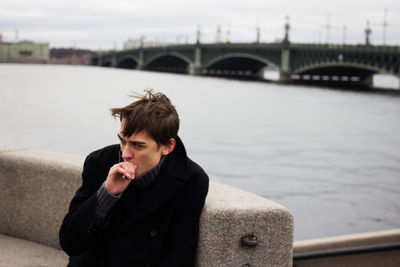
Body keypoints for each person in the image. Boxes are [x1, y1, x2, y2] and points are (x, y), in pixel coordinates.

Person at [59, 90, 209, 267]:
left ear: (168, 146)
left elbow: (178, 256)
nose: (125, 154)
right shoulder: (99, 162)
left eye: (138, 145)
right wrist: (106, 194)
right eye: (122, 141)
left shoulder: (192, 180)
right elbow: (70, 242)